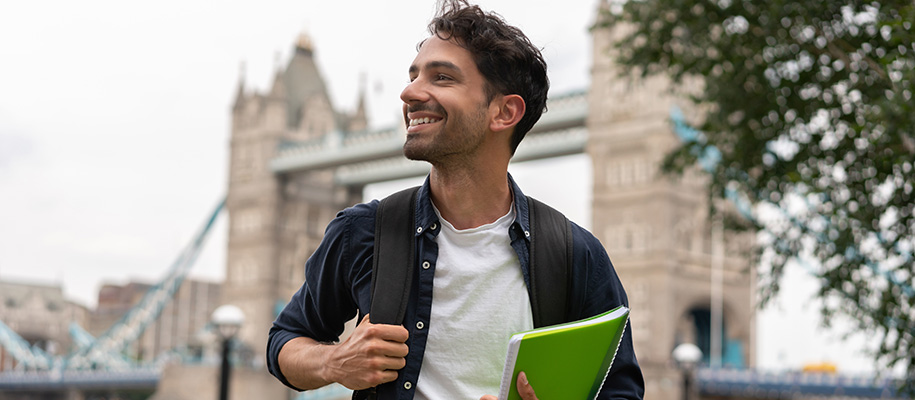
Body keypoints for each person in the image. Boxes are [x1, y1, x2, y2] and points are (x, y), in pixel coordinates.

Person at [266, 1, 645, 399]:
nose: (409, 92)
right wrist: (334, 361)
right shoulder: (363, 232)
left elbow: (621, 391)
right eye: (413, 76)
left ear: (504, 112)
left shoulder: (575, 254)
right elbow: (285, 340)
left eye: (441, 77)